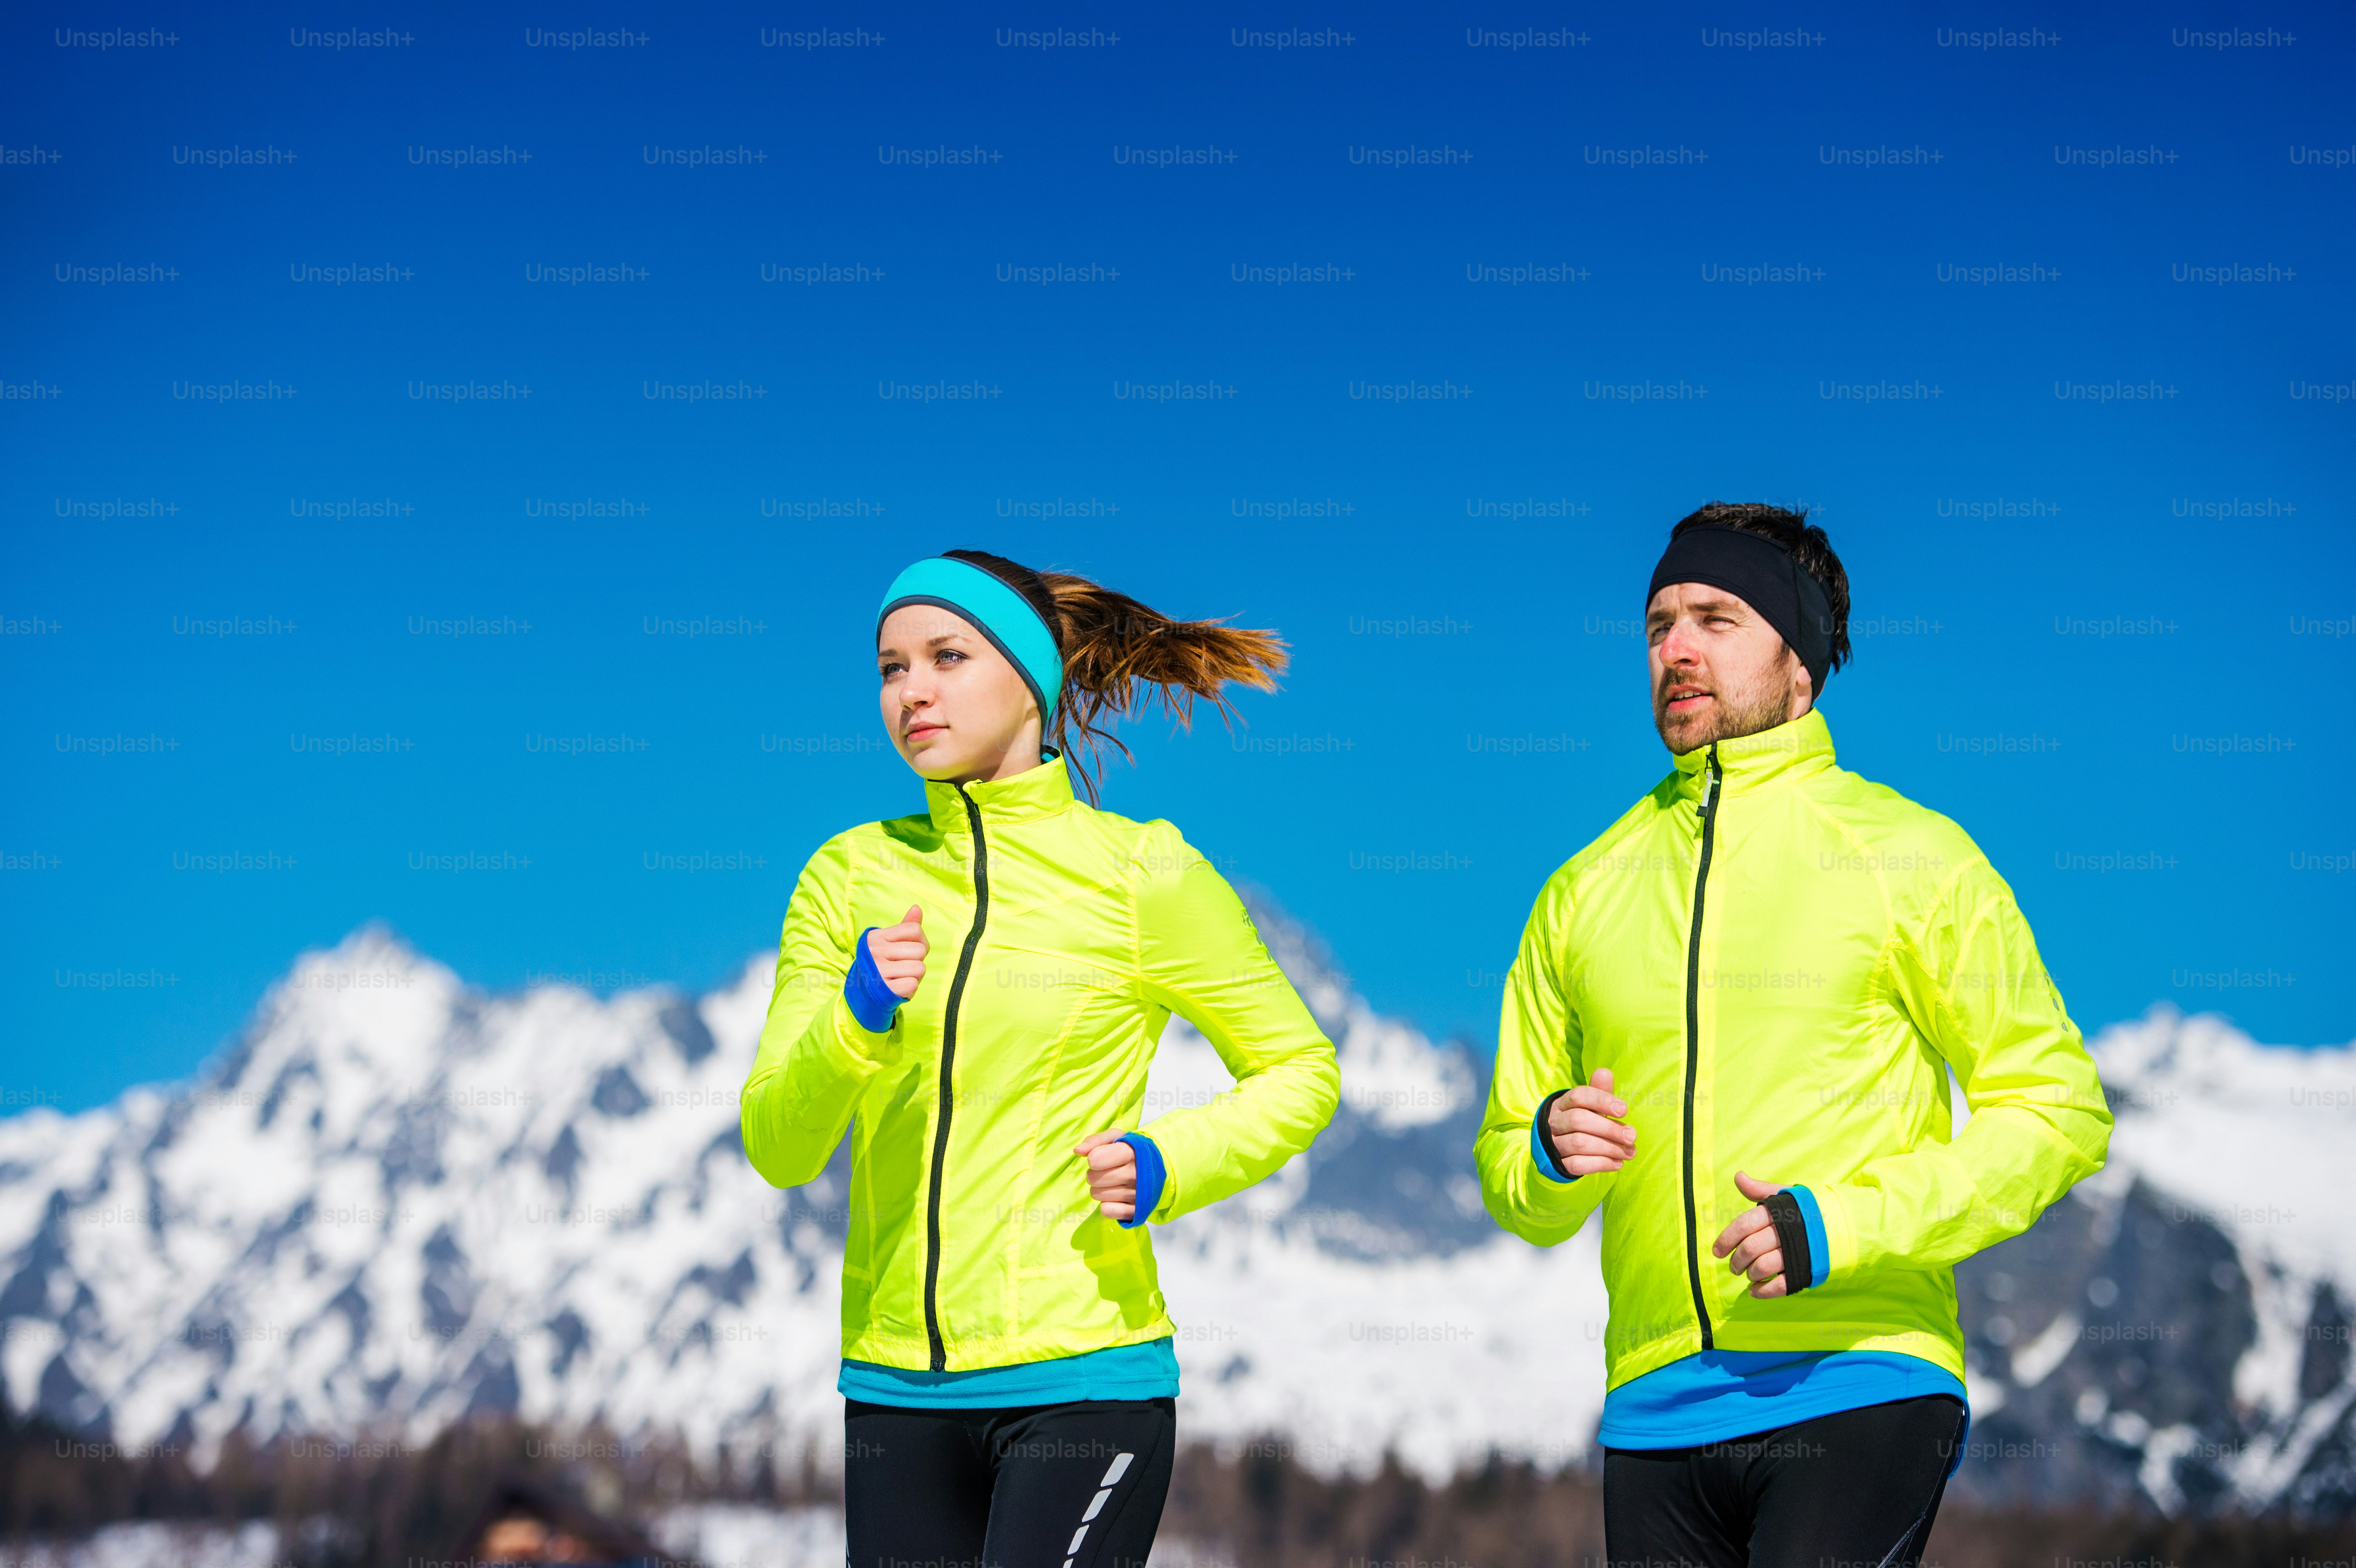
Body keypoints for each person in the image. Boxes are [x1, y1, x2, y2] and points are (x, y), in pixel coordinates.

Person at [1475, 504, 2112, 1568]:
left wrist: (1844, 1224)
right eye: (1657, 626)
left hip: (1859, 1374)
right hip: (1654, 1404)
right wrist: (1545, 1147)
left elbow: (2060, 1112)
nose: (1675, 649)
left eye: (1716, 618)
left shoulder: (1907, 856)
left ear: (1799, 660)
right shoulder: (1579, 893)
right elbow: (1510, 1175)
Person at [741, 549, 1338, 1568]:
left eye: (945, 656)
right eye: (890, 667)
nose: (911, 690)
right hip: (893, 1394)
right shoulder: (847, 875)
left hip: (1085, 1379)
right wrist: (854, 1017)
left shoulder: (1142, 872)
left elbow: (1300, 1069)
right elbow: (780, 1143)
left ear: (1031, 679)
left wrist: (1168, 1163)